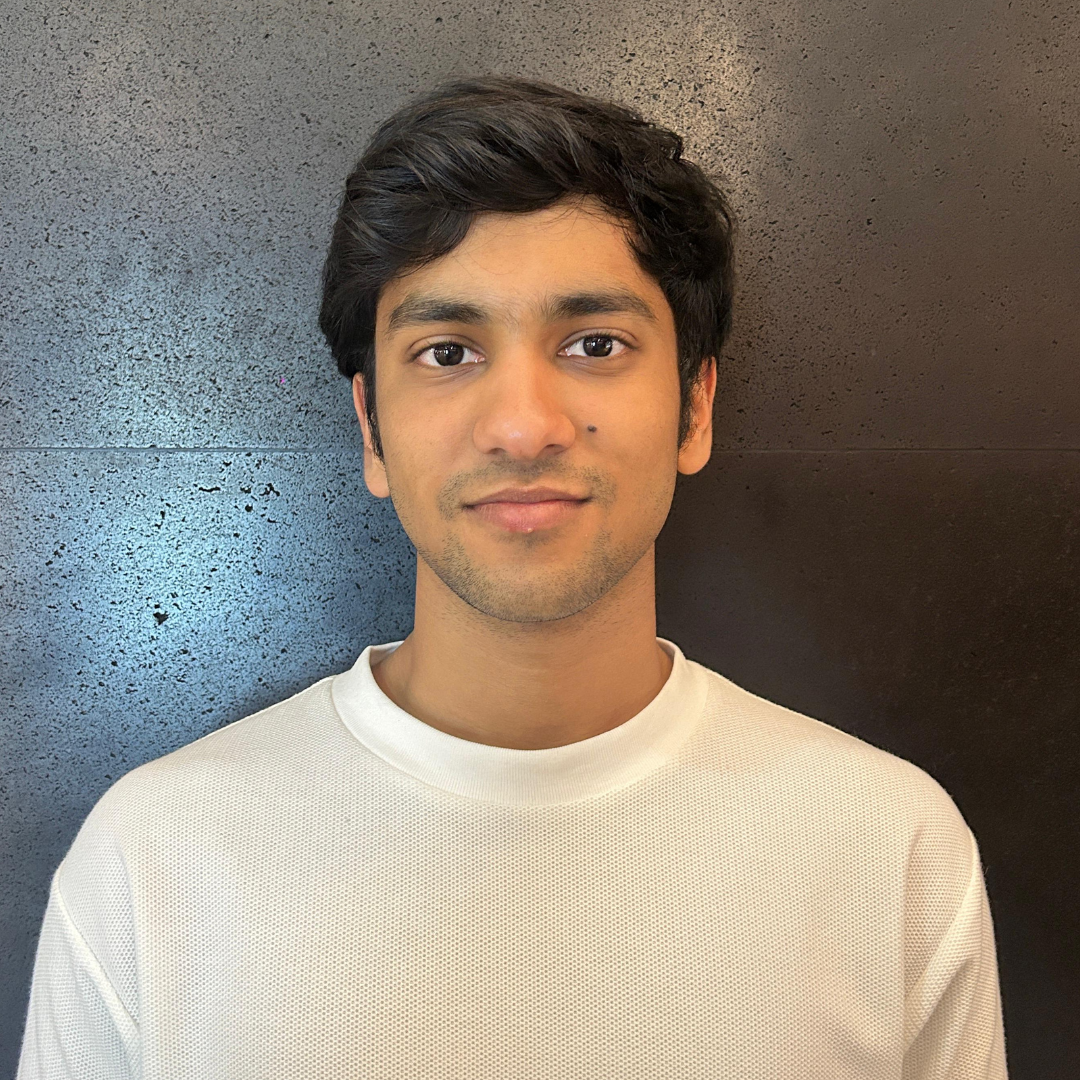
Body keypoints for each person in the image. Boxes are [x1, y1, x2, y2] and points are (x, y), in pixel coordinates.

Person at [17, 75, 1008, 1079]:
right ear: (370, 429)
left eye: (595, 344)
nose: (522, 426)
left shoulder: (891, 852)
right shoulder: (155, 860)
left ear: (696, 408)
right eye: (447, 351)